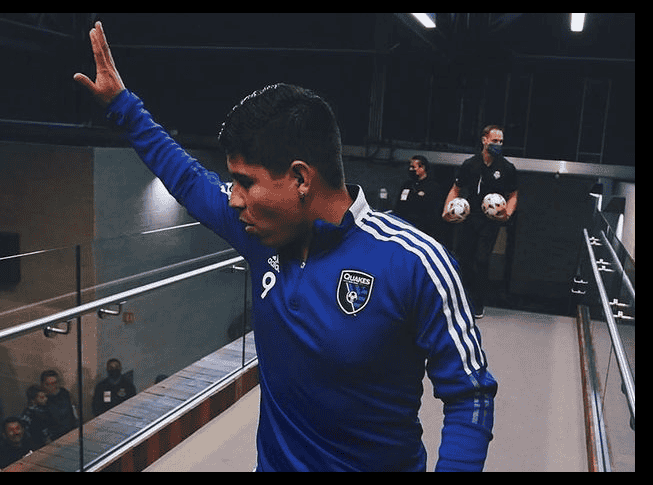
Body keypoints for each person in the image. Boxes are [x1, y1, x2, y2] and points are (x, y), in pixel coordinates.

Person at [74, 22, 497, 472]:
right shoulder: (258, 233)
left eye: (244, 181)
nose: (232, 197)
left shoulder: (416, 263)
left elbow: (470, 396)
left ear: (300, 178)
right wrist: (123, 106)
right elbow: (186, 177)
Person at [442, 125, 518, 318]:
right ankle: (462, 299)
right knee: (464, 259)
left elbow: (514, 194)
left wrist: (506, 213)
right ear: (484, 140)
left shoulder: (507, 168)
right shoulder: (470, 164)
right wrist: (446, 210)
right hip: (470, 217)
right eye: (495, 141)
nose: (498, 145)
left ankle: (478, 303)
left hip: (490, 222)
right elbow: (455, 189)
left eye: (501, 142)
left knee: (482, 260)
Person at [394, 155, 449, 247]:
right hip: (405, 228)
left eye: (413, 167)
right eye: (410, 167)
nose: (410, 169)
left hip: (423, 230)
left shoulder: (433, 187)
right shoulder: (407, 185)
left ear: (422, 167)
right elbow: (399, 205)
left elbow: (434, 212)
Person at [40, 369, 77, 440]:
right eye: (48, 384)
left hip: (71, 431)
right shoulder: (41, 399)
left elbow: (73, 409)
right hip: (55, 437)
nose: (52, 386)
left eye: (54, 383)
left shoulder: (64, 393)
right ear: (43, 384)